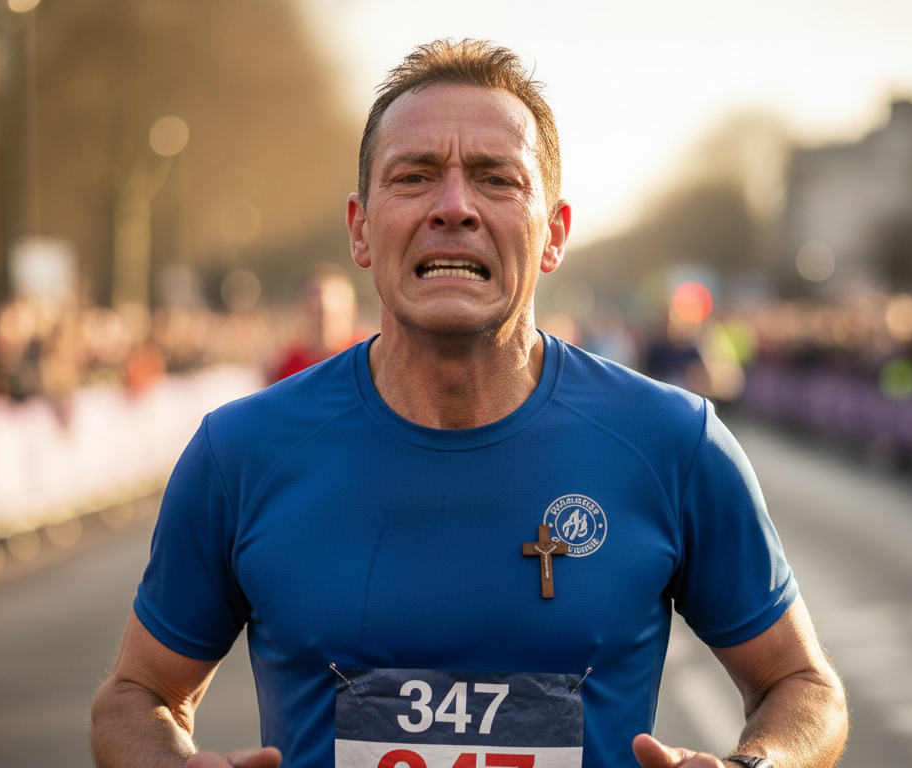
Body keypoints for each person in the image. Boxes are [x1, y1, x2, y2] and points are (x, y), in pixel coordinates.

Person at [91, 39, 848, 768]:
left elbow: (802, 685)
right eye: (415, 176)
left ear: (553, 235)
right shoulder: (241, 453)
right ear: (360, 229)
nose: (454, 207)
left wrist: (758, 764)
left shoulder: (673, 444)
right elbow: (135, 696)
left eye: (496, 179)